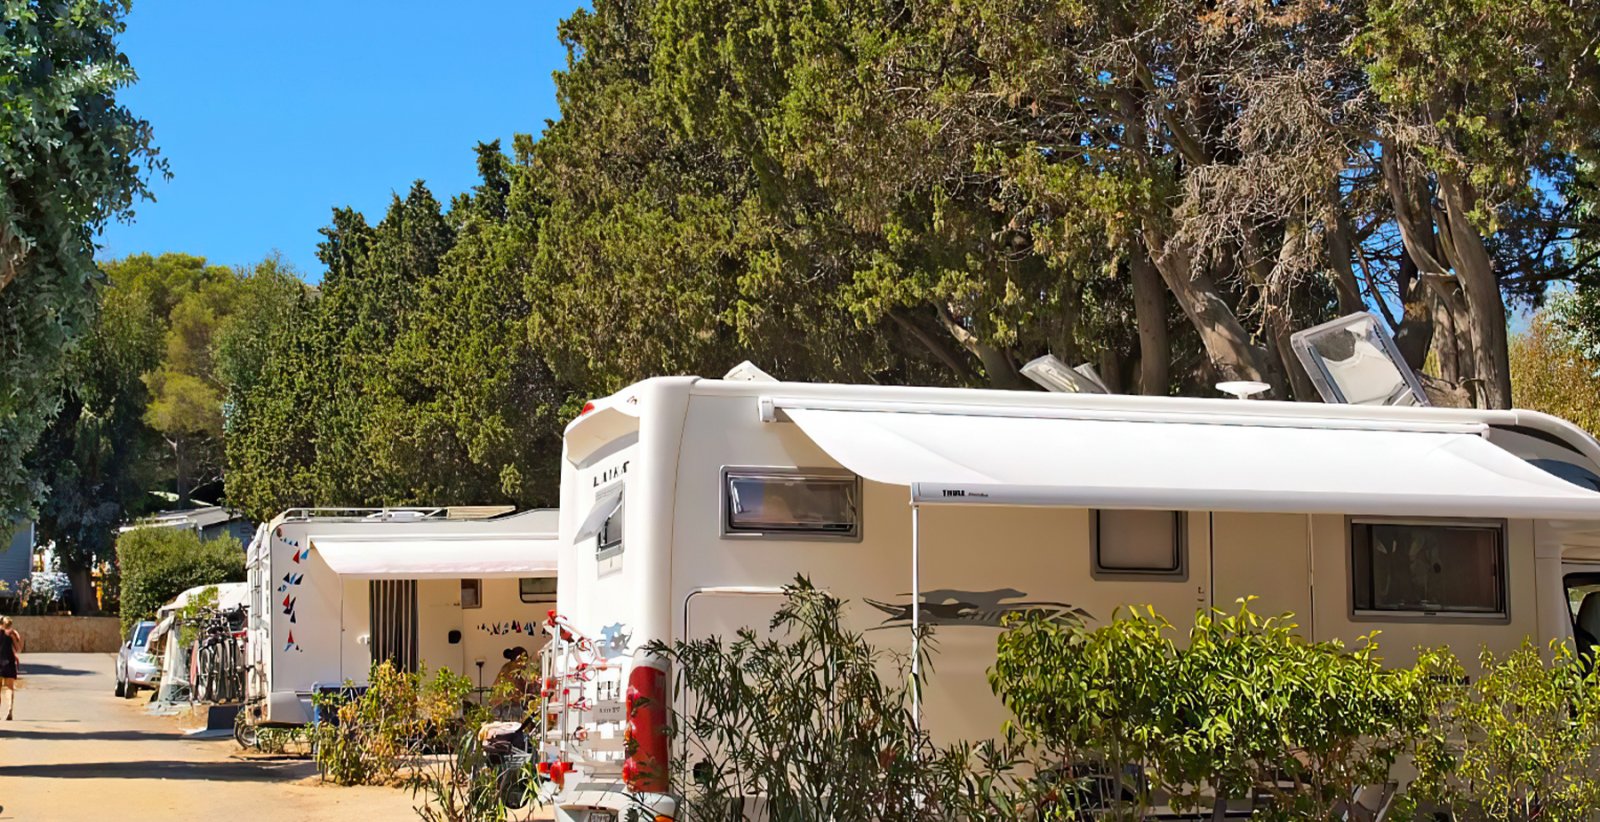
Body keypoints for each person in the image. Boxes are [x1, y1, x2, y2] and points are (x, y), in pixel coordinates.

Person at [0, 615, 21, 720]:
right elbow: (18, 649)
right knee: (9, 688)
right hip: (9, 662)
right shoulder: (12, 634)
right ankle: (9, 710)